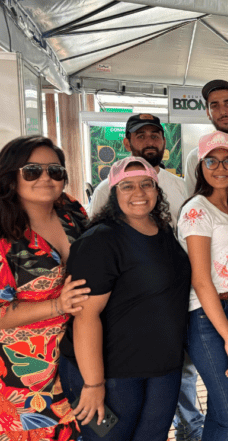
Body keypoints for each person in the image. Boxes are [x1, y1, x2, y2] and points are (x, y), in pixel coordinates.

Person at [58, 157, 191, 441]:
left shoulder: (163, 230)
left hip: (163, 367)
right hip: (112, 374)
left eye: (146, 184)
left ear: (157, 189)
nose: (139, 192)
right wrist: (93, 384)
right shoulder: (100, 241)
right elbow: (85, 316)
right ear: (113, 193)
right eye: (127, 186)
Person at [87, 113, 199, 441]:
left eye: (155, 135)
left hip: (171, 312)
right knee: (120, 419)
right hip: (123, 330)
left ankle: (189, 428)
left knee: (179, 380)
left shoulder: (178, 185)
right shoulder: (105, 194)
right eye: (141, 136)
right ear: (127, 142)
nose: (149, 141)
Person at [0, 136, 88, 440]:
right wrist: (57, 305)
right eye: (32, 171)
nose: (46, 178)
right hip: (26, 373)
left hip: (80, 355)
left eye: (55, 170)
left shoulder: (72, 211)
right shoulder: (3, 233)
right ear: (11, 177)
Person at [177, 131, 228, 441]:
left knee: (222, 411)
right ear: (200, 166)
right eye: (212, 161)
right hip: (205, 317)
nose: (220, 168)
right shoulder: (197, 210)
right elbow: (200, 280)